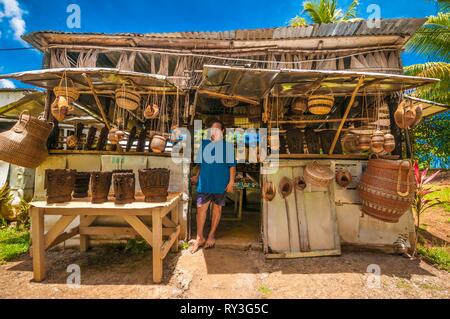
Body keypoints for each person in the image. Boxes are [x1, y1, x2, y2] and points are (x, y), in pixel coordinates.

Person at [190, 120, 236, 253]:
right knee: (200, 210)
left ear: (222, 131)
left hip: (220, 184)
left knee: (217, 210)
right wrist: (197, 176)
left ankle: (211, 235)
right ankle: (200, 237)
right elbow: (201, 164)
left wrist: (231, 182)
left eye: (216, 129)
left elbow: (232, 166)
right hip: (205, 183)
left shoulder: (227, 146)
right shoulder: (204, 144)